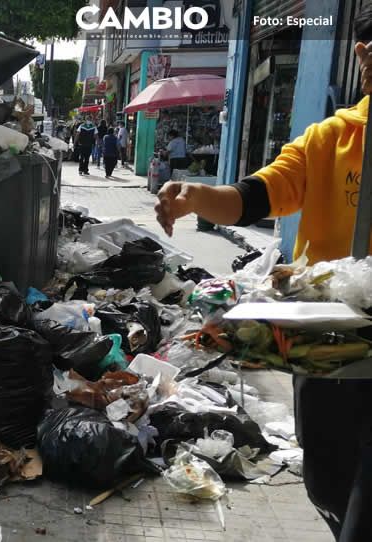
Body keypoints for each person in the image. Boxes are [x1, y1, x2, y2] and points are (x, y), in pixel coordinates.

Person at [154, 10, 372, 540]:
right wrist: (195, 195)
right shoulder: (332, 140)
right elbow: (254, 196)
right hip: (331, 344)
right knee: (328, 476)